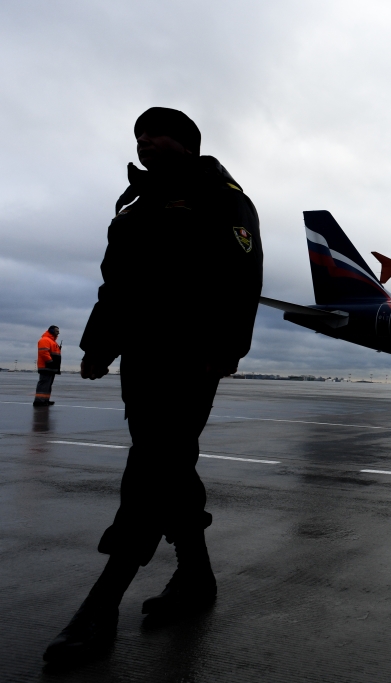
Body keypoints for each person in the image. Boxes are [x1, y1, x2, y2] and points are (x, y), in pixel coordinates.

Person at [43, 108, 263, 666]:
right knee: (168, 464)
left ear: (187, 142)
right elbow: (118, 283)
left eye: (157, 133)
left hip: (194, 354)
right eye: (139, 135)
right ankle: (197, 578)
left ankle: (102, 603)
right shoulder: (135, 205)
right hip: (141, 357)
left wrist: (228, 348)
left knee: (152, 465)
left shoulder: (221, 196)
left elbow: (243, 278)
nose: (145, 142)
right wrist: (99, 345)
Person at [33, 326, 62, 407]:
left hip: (51, 367)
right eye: (57, 331)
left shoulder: (52, 341)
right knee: (44, 384)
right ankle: (39, 401)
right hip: (47, 366)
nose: (58, 333)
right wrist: (50, 362)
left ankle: (45, 400)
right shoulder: (45, 340)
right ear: (51, 331)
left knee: (48, 385)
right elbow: (44, 352)